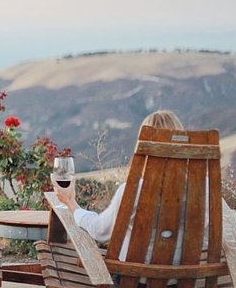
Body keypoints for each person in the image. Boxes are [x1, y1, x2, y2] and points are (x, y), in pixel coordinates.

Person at [54, 109, 194, 261]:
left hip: (135, 280)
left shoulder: (133, 190)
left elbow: (100, 231)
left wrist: (71, 203)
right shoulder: (202, 190)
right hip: (182, 282)